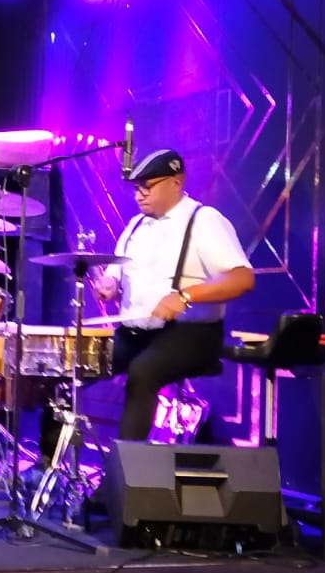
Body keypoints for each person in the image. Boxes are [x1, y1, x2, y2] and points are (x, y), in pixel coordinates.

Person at [91, 149, 254, 441]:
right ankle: (47, 457)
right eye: (136, 188)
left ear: (176, 182)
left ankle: (126, 466)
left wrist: (185, 296)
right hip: (135, 335)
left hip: (191, 335)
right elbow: (116, 274)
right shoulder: (135, 225)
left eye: (147, 186)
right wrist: (110, 285)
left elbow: (242, 279)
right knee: (78, 364)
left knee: (143, 373)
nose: (139, 195)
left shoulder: (204, 220)